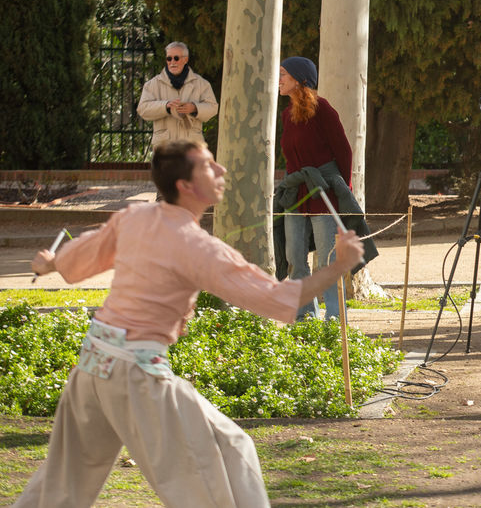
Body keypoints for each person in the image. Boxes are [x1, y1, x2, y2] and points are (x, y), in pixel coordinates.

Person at [17, 140, 365, 507]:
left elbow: (85, 253)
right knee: (212, 476)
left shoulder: (136, 217)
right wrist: (339, 265)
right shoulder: (199, 248)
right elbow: (279, 300)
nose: (222, 171)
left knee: (61, 487)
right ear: (185, 185)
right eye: (208, 166)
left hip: (92, 366)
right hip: (137, 377)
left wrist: (52, 262)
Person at [275, 56, 360, 321]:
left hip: (324, 195)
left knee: (326, 261)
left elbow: (343, 152)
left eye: (283, 75)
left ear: (300, 80)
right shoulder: (286, 115)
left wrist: (339, 190)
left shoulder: (322, 109)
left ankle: (335, 320)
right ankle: (305, 319)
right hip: (296, 197)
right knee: (295, 259)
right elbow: (290, 158)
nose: (279, 80)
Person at [136, 41, 219, 147]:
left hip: (192, 147)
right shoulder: (153, 84)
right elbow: (142, 109)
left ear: (185, 59)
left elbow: (213, 108)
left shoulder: (201, 84)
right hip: (164, 148)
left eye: (176, 58)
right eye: (169, 58)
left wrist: (194, 108)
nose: (172, 62)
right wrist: (165, 106)